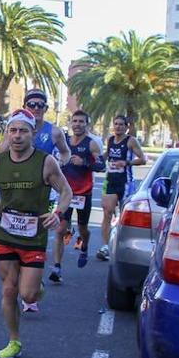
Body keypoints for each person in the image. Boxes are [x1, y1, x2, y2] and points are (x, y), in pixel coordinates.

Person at [0, 109, 72, 358]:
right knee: (8, 290)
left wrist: (57, 213)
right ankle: (14, 341)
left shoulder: (46, 162)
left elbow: (66, 191)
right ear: (8, 133)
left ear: (33, 134)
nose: (17, 136)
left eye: (23, 131)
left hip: (33, 237)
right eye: (13, 131)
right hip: (5, 234)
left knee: (27, 294)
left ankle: (36, 288)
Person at [49, 109, 103, 280]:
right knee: (59, 230)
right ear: (71, 123)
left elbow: (102, 165)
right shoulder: (64, 142)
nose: (77, 124)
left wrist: (85, 162)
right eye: (75, 121)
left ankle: (85, 245)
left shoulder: (91, 143)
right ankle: (57, 268)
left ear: (87, 124)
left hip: (83, 194)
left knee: (82, 228)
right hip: (66, 193)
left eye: (81, 121)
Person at [97, 114, 147, 261]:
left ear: (126, 127)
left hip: (125, 182)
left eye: (121, 124)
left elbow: (142, 159)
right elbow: (108, 154)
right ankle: (105, 246)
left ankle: (122, 245)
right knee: (107, 212)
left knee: (123, 216)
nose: (118, 127)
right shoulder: (111, 139)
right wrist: (99, 161)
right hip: (111, 180)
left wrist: (127, 163)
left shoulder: (131, 141)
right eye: (116, 124)